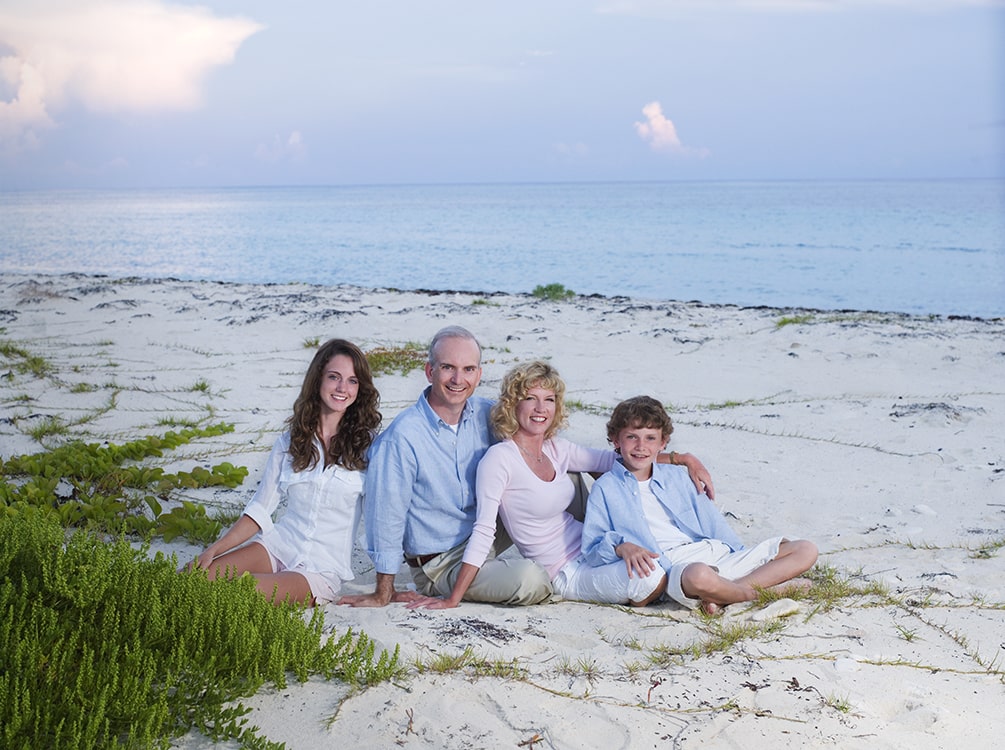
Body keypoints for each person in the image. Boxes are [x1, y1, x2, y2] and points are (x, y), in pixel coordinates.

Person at [341, 325, 715, 609]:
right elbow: (384, 515)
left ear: (478, 373)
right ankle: (572, 572)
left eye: (468, 369)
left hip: (491, 535)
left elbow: (610, 458)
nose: (459, 379)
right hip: (440, 560)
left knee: (565, 468)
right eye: (448, 368)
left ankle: (622, 540)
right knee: (531, 581)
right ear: (429, 371)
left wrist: (681, 459)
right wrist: (383, 590)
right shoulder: (402, 438)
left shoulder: (487, 413)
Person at [409, 361, 667, 610]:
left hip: (595, 548)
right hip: (565, 571)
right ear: (513, 404)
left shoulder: (555, 448)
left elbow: (621, 459)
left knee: (661, 560)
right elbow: (484, 531)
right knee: (651, 577)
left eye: (549, 399)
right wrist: (453, 598)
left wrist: (683, 460)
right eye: (531, 398)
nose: (540, 408)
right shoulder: (500, 460)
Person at [582, 396, 818, 615]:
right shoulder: (606, 488)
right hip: (676, 568)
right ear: (616, 440)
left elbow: (710, 520)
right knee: (699, 575)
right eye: (632, 437)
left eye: (650, 438)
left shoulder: (677, 477)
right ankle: (754, 593)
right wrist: (620, 546)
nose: (641, 446)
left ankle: (724, 593)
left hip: (713, 551)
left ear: (663, 443)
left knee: (805, 549)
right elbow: (592, 549)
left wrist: (743, 556)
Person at [191, 338, 380, 607]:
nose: (342, 388)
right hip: (278, 546)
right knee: (192, 579)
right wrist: (215, 550)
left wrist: (386, 588)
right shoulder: (292, 440)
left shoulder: (371, 447)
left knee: (240, 592)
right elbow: (260, 508)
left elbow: (384, 518)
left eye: (352, 381)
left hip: (319, 570)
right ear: (318, 380)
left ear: (360, 389)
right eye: (334, 377)